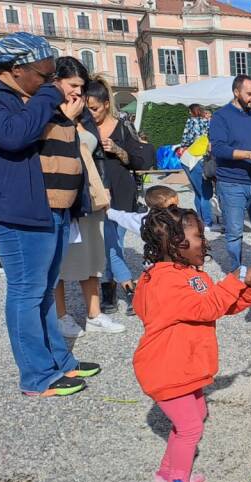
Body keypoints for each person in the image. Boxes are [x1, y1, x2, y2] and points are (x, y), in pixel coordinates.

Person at [133, 206, 251, 482]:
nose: (204, 242)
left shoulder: (193, 274)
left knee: (196, 416)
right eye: (197, 236)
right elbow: (206, 307)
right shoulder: (162, 281)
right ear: (174, 243)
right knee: (191, 427)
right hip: (165, 368)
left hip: (185, 368)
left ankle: (164, 476)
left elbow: (221, 306)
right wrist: (236, 279)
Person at [0, 33, 101, 396]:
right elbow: (14, 135)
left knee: (42, 291)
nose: (47, 82)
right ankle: (36, 377)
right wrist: (50, 95)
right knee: (26, 292)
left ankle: (59, 361)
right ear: (16, 69)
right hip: (16, 212)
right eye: (42, 75)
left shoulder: (22, 95)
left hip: (45, 208)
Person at [54, 60, 127, 337]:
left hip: (87, 195)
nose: (77, 92)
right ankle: (61, 316)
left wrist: (104, 188)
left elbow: (96, 158)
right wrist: (66, 119)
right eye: (73, 85)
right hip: (60, 194)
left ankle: (94, 313)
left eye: (81, 88)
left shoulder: (83, 114)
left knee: (92, 257)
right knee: (59, 261)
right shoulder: (50, 111)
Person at [86, 76, 153, 315]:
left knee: (115, 242)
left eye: (94, 108)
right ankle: (128, 288)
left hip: (122, 191)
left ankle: (109, 290)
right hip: (95, 191)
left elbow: (138, 160)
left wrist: (118, 150)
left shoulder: (123, 125)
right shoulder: (83, 126)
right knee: (108, 243)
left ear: (105, 104)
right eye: (87, 108)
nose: (90, 113)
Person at [209, 74, 251, 272]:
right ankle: (236, 271)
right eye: (250, 94)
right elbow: (218, 149)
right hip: (231, 184)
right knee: (234, 233)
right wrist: (247, 154)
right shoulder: (221, 117)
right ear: (236, 92)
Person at [179, 103, 215, 232]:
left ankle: (200, 220)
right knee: (205, 193)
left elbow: (185, 139)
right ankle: (207, 222)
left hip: (189, 158)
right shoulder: (208, 122)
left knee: (198, 193)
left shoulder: (190, 122)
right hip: (199, 158)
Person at [107, 185, 179, 234]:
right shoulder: (180, 218)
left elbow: (125, 218)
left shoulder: (145, 220)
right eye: (174, 205)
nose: (176, 208)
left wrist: (108, 211)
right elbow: (125, 218)